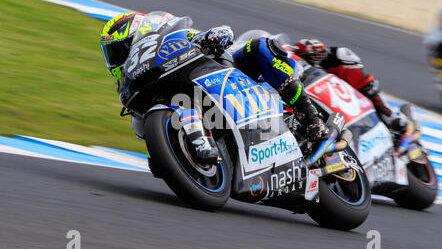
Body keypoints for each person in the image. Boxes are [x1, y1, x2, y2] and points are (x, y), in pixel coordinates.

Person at [100, 12, 329, 164]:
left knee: (261, 47)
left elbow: (221, 33)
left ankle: (310, 119)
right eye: (112, 55)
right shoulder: (137, 97)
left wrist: (213, 37)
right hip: (206, 111)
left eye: (119, 50)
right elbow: (149, 139)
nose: (116, 59)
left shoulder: (172, 40)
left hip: (233, 78)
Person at [293, 38, 408, 133]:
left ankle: (389, 114)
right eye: (314, 56)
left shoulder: (333, 58)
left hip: (338, 94)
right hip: (308, 95)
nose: (317, 57)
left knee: (347, 61)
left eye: (319, 54)